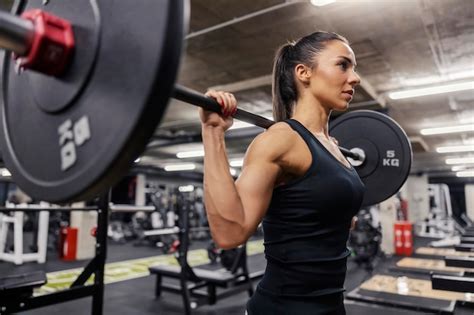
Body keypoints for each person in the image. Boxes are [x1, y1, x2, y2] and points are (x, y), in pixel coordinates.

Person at [199, 31, 364, 314]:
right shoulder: (281, 139)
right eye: (343, 65)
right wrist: (213, 132)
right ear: (304, 72)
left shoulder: (333, 147)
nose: (355, 77)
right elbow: (229, 233)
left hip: (331, 306)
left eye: (354, 68)